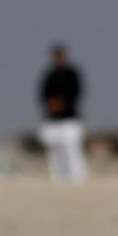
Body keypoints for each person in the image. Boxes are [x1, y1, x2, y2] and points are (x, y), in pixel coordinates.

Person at [37, 43, 88, 184]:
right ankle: (57, 177)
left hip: (70, 119)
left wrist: (62, 103)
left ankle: (77, 178)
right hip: (52, 120)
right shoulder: (49, 75)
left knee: (72, 149)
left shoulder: (72, 74)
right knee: (54, 150)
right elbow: (43, 95)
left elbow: (77, 93)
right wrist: (51, 105)